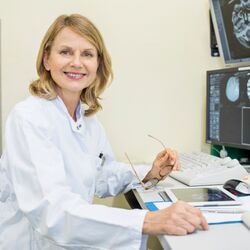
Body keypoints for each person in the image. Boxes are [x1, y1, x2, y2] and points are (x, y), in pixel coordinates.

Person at [0, 14, 208, 250]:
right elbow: (52, 211)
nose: (76, 62)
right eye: (65, 52)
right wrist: (147, 221)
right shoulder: (28, 117)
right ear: (46, 59)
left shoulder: (88, 121)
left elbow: (100, 176)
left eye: (87, 54)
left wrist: (148, 173)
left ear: (98, 63)